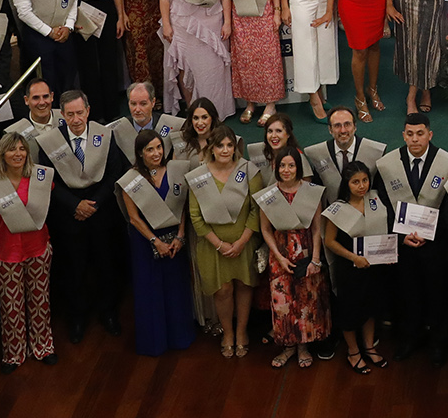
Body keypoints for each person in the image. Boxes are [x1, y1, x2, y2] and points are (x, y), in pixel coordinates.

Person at [375, 113, 448, 362]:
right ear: (403, 135)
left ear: (429, 134)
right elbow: (383, 204)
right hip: (403, 244)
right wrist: (399, 234)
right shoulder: (388, 164)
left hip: (435, 244)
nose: (415, 139)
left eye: (420, 133)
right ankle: (409, 338)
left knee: (438, 294)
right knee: (407, 293)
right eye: (409, 134)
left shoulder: (446, 163)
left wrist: (431, 234)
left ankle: (439, 343)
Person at [41, 89, 123, 342]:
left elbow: (114, 173)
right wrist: (75, 205)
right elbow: (48, 179)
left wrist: (94, 203)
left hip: (101, 213)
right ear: (62, 115)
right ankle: (77, 317)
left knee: (105, 266)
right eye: (70, 114)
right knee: (73, 270)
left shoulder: (104, 135)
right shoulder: (50, 142)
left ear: (88, 111)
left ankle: (108, 312)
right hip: (69, 216)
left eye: (80, 113)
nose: (76, 119)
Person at [0, 133, 56, 370]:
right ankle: (14, 353)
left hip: (38, 247)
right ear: (2, 154)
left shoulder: (40, 178)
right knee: (10, 307)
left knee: (40, 301)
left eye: (22, 149)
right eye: (12, 150)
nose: (18, 154)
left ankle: (43, 347)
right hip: (5, 251)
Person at [117, 128, 196, 356]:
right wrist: (155, 242)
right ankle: (155, 341)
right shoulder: (131, 179)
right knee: (150, 290)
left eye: (159, 147)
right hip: (145, 242)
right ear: (140, 153)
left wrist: (181, 235)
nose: (156, 153)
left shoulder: (174, 170)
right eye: (149, 149)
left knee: (175, 288)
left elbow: (182, 206)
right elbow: (133, 217)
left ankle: (180, 336)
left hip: (175, 241)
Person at [187, 125, 258, 358]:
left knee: (244, 286)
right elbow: (195, 216)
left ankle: (241, 332)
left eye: (230, 145)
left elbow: (257, 210)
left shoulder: (249, 171)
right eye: (221, 145)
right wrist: (219, 244)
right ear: (212, 148)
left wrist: (242, 241)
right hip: (213, 246)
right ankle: (227, 333)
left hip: (243, 243)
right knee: (223, 290)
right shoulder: (198, 176)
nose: (226, 150)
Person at [257, 150, 328, 370]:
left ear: (298, 167)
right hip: (280, 255)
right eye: (282, 166)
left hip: (307, 252)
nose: (286, 171)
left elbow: (317, 227)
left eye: (291, 166)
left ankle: (304, 347)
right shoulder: (268, 195)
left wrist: (315, 258)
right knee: (283, 303)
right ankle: (288, 346)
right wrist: (278, 257)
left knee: (306, 301)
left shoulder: (311, 192)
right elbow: (265, 229)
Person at [322, 160, 392, 373]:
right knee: (350, 310)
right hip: (350, 269)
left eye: (364, 180)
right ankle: (353, 352)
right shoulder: (337, 209)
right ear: (346, 184)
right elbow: (330, 241)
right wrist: (353, 257)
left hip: (373, 267)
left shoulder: (376, 200)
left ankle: (369, 347)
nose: (362, 186)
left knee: (370, 307)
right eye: (355, 182)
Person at [161, 0, 234, 118]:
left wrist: (227, 22)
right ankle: (194, 112)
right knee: (188, 70)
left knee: (215, 70)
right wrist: (167, 25)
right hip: (184, 26)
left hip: (213, 24)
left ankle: (217, 113)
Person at [219, 0, 281, 126]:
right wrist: (227, 21)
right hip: (240, 17)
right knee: (245, 61)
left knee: (268, 59)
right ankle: (250, 103)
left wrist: (277, 12)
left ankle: (270, 104)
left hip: (264, 13)